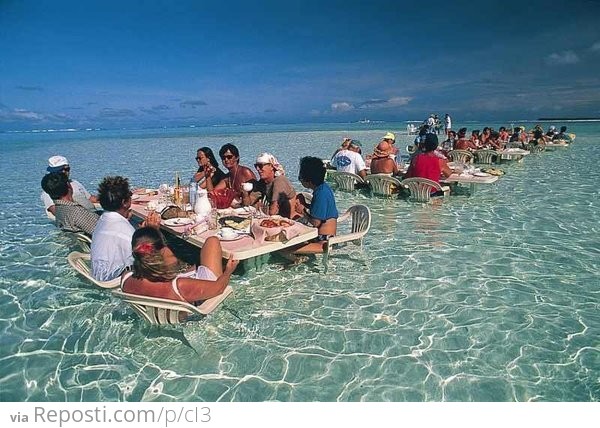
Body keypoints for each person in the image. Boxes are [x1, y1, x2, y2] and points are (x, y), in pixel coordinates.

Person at [121, 227, 238, 304]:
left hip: (162, 315)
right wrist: (228, 271)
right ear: (161, 250)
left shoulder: (126, 279)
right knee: (212, 241)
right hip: (195, 311)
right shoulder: (179, 286)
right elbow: (219, 288)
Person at [91, 176, 161, 281]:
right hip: (116, 280)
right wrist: (152, 233)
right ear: (125, 202)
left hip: (101, 274)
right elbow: (151, 262)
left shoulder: (103, 220)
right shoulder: (126, 232)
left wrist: (141, 234)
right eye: (130, 194)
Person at [292, 157, 338, 254]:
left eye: (300, 178)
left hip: (324, 241)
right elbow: (320, 211)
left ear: (308, 180)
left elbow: (316, 222)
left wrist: (303, 211)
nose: (300, 180)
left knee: (287, 248)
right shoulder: (323, 188)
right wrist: (306, 205)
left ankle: (296, 260)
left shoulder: (321, 194)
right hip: (323, 236)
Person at [241, 153, 296, 218]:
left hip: (289, 221)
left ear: (271, 167)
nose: (258, 169)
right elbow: (247, 204)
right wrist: (245, 193)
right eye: (256, 166)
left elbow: (273, 212)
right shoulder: (263, 182)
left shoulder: (280, 181)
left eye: (261, 166)